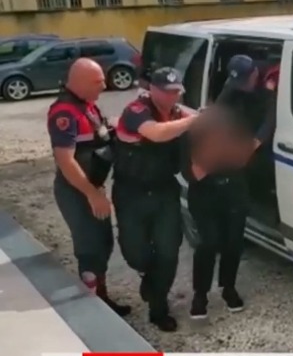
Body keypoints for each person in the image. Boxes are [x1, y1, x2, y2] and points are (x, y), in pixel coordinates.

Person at [186, 54, 277, 319]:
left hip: (234, 184)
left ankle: (228, 288)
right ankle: (200, 295)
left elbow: (267, 121)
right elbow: (193, 167)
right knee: (208, 243)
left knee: (233, 242)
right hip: (207, 189)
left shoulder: (258, 93)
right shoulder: (224, 101)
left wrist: (251, 144)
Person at [112, 67, 198, 332]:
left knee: (168, 252)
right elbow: (157, 133)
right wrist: (194, 121)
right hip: (131, 193)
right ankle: (147, 276)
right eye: (166, 91)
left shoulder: (178, 113)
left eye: (176, 92)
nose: (172, 97)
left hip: (164, 191)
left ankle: (158, 308)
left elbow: (199, 119)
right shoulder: (136, 111)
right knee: (135, 252)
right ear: (152, 90)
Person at [47, 58, 130, 316]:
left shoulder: (87, 106)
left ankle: (100, 297)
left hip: (92, 188)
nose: (104, 86)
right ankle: (94, 308)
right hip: (77, 191)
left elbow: (101, 137)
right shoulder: (64, 113)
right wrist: (92, 194)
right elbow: (65, 160)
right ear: (79, 82)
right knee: (90, 248)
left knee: (103, 243)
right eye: (97, 82)